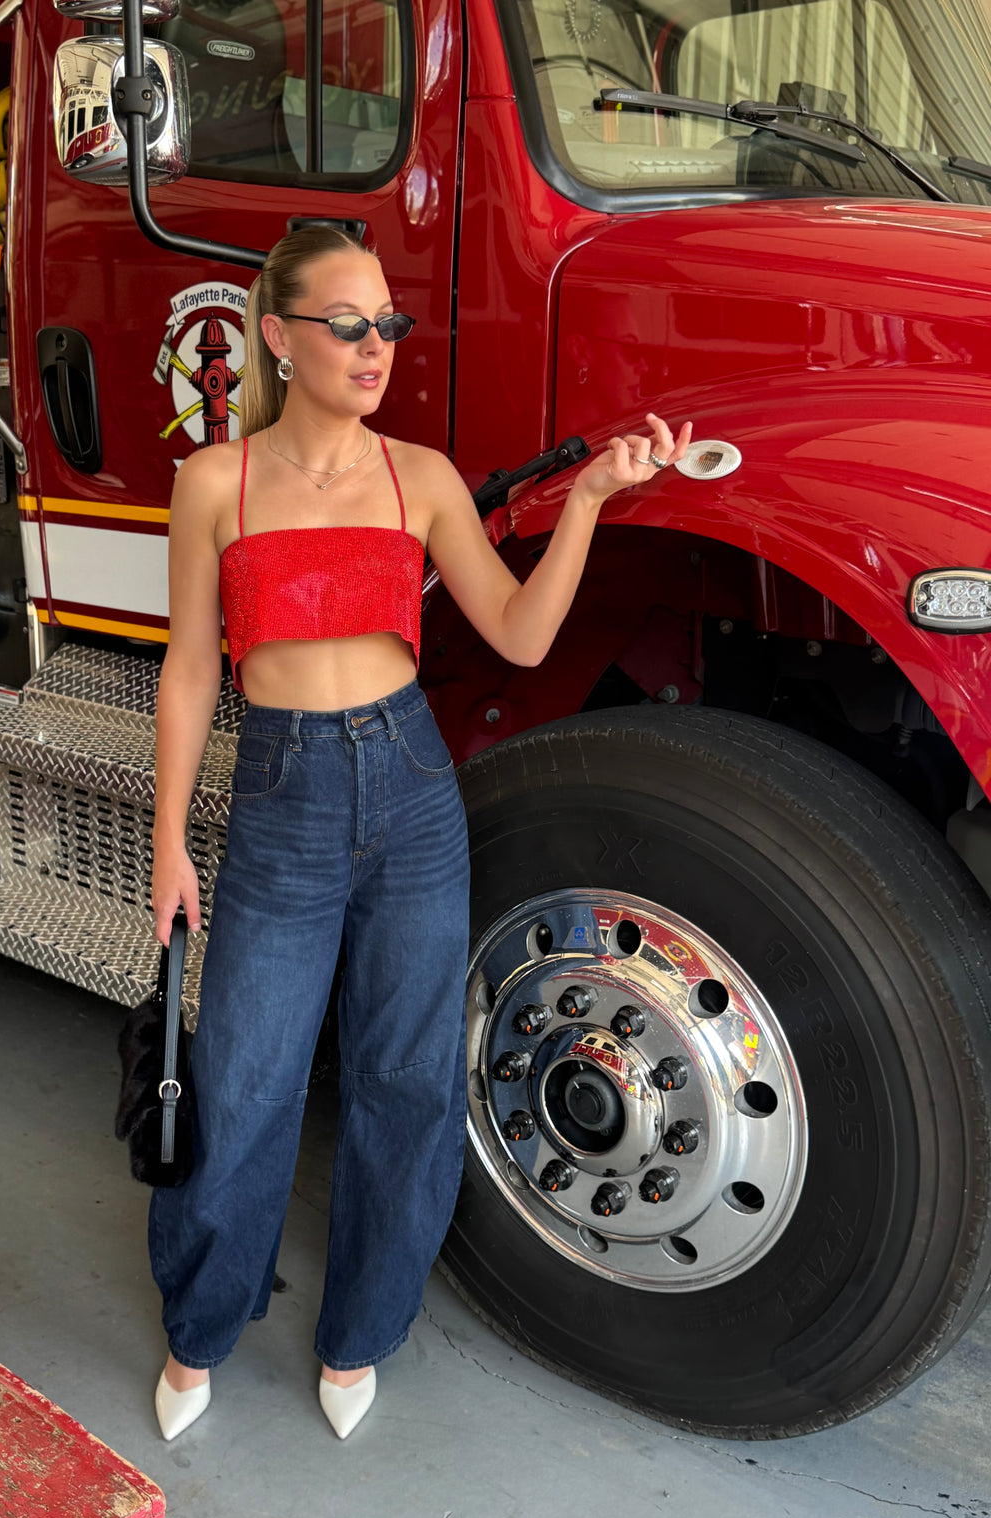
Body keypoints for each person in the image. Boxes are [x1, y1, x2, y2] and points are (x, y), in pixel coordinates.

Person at [147, 224, 692, 1443]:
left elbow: (521, 635)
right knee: (243, 1080)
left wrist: (591, 503)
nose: (374, 346)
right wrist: (170, 837)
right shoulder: (214, 485)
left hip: (408, 792)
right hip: (281, 800)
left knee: (404, 1083)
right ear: (278, 337)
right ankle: (199, 1328)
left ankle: (361, 1334)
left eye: (386, 324)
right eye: (346, 323)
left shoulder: (424, 477)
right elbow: (191, 671)